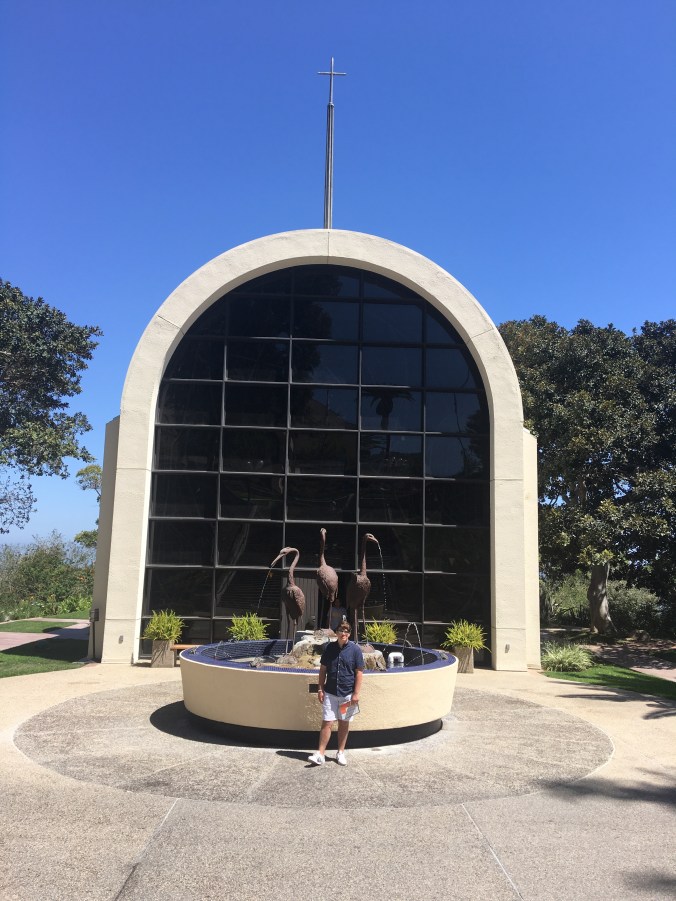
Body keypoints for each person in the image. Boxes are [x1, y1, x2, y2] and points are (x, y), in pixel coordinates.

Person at [308, 621, 364, 766]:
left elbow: (359, 673)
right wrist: (320, 689)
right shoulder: (329, 648)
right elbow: (323, 670)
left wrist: (356, 694)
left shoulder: (355, 650)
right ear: (337, 632)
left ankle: (340, 753)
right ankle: (320, 754)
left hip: (348, 695)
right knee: (327, 722)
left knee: (344, 724)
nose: (343, 633)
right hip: (330, 693)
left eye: (346, 631)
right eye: (341, 630)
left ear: (349, 634)